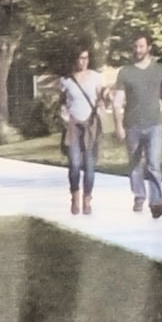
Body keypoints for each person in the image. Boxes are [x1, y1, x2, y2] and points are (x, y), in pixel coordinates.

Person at [119, 32, 162, 218]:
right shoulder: (125, 72)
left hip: (154, 124)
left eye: (141, 46)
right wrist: (118, 125)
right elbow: (118, 100)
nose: (138, 50)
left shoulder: (160, 70)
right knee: (134, 164)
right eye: (135, 46)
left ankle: (156, 202)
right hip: (132, 124)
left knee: (154, 164)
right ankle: (139, 196)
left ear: (149, 47)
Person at [56, 51, 104, 217]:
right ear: (74, 59)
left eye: (86, 58)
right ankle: (75, 196)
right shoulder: (66, 80)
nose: (83, 61)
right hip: (74, 126)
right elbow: (61, 102)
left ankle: (87, 199)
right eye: (80, 58)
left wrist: (101, 106)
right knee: (75, 164)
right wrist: (64, 114)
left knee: (90, 166)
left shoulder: (95, 77)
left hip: (90, 125)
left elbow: (100, 98)